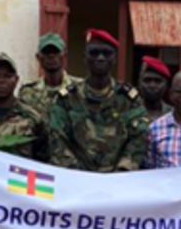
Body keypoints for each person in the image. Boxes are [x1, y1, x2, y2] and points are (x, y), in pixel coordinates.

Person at [50, 29, 148, 172]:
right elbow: (57, 139)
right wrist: (75, 173)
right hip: (76, 177)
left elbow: (139, 138)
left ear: (114, 58)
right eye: (94, 53)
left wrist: (123, 170)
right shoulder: (67, 98)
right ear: (85, 57)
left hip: (118, 179)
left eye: (106, 53)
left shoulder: (128, 100)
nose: (100, 58)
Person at [18, 32, 82, 117]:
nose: (51, 56)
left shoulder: (80, 89)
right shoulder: (28, 93)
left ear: (64, 55)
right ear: (38, 57)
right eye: (46, 52)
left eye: (56, 52)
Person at [139, 56, 173, 122]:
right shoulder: (128, 113)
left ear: (166, 85)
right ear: (139, 84)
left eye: (158, 81)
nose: (152, 86)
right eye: (147, 80)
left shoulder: (174, 115)